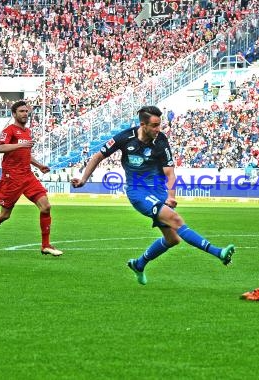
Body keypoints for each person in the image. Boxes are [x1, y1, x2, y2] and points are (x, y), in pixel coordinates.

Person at [71, 105, 235, 285]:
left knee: (172, 239)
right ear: (143, 125)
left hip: (158, 192)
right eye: (155, 125)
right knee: (176, 220)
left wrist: (171, 196)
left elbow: (170, 173)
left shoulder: (161, 141)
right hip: (138, 192)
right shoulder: (125, 137)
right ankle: (218, 252)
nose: (159, 129)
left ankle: (139, 264)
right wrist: (84, 179)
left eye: (160, 125)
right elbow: (97, 156)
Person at [0, 101, 62, 256]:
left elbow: (25, 154)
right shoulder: (9, 131)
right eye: (21, 111)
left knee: (46, 207)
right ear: (14, 114)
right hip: (12, 177)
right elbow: (1, 148)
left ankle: (45, 245)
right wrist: (21, 145)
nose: (25, 114)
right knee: (4, 215)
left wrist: (39, 165)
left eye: (26, 111)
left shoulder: (27, 131)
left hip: (27, 175)